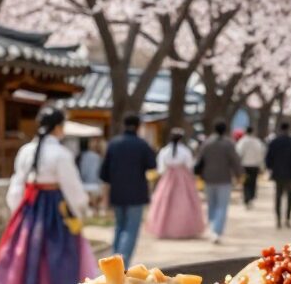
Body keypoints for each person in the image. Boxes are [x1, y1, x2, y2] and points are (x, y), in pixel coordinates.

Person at [0, 107, 97, 284]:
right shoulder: (61, 154)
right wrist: (81, 210)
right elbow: (72, 187)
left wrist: (16, 210)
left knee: (24, 256)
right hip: (55, 211)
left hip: (30, 208)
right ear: (58, 127)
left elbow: (17, 183)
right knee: (59, 257)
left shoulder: (26, 150)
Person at [100, 112, 157, 265]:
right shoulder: (142, 144)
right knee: (131, 229)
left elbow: (104, 172)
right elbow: (152, 164)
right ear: (138, 126)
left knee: (119, 226)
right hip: (136, 192)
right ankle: (123, 261)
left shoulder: (113, 143)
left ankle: (113, 259)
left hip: (117, 192)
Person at [147, 128, 204, 239]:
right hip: (182, 178)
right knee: (184, 202)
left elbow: (161, 169)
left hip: (168, 177)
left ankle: (164, 228)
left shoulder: (164, 151)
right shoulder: (185, 151)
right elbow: (189, 166)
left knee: (164, 202)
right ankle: (183, 228)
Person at [196, 119, 242, 242]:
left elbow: (199, 160)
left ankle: (212, 226)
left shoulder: (207, 143)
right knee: (222, 206)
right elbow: (235, 161)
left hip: (208, 178)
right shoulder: (228, 144)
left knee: (211, 204)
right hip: (224, 179)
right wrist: (239, 175)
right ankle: (217, 231)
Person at [265, 120, 291, 227]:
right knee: (289, 196)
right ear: (288, 129)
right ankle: (288, 219)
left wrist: (270, 168)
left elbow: (268, 157)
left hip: (277, 173)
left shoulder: (274, 141)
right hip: (289, 173)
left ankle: (278, 219)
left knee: (278, 196)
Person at [237, 125, 266, 208]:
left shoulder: (242, 141)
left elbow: (239, 153)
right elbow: (261, 154)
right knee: (253, 182)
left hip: (245, 165)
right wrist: (261, 165)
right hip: (255, 165)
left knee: (246, 182)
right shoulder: (257, 142)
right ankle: (251, 197)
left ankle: (247, 197)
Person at [76, 138, 103, 212]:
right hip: (95, 185)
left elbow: (82, 171)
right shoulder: (96, 157)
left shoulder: (80, 156)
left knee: (85, 208)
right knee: (95, 208)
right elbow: (100, 171)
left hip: (83, 185)